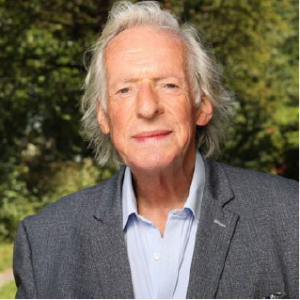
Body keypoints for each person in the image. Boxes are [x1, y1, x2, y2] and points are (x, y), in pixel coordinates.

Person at [13, 1, 298, 299]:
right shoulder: (44, 242)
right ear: (104, 116)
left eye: (169, 85)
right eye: (125, 89)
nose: (147, 107)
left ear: (202, 104)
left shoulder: (291, 216)